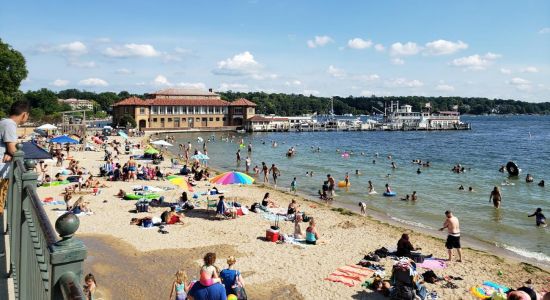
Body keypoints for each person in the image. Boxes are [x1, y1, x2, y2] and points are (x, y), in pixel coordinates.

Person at [0, 101, 29, 217]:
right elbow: (13, 149)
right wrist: (13, 153)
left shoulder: (3, 122)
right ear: (24, 114)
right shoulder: (9, 124)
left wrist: (10, 153)